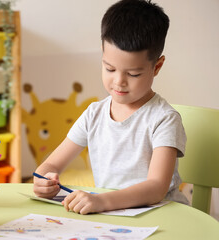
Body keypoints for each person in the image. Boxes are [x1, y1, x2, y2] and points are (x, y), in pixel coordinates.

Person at [33, 0, 189, 215]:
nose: (119, 82)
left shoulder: (164, 119)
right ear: (103, 54)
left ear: (157, 66)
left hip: (162, 216)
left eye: (133, 74)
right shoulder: (94, 114)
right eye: (110, 68)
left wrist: (102, 202)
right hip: (114, 217)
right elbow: (50, 165)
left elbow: (156, 188)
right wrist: (44, 179)